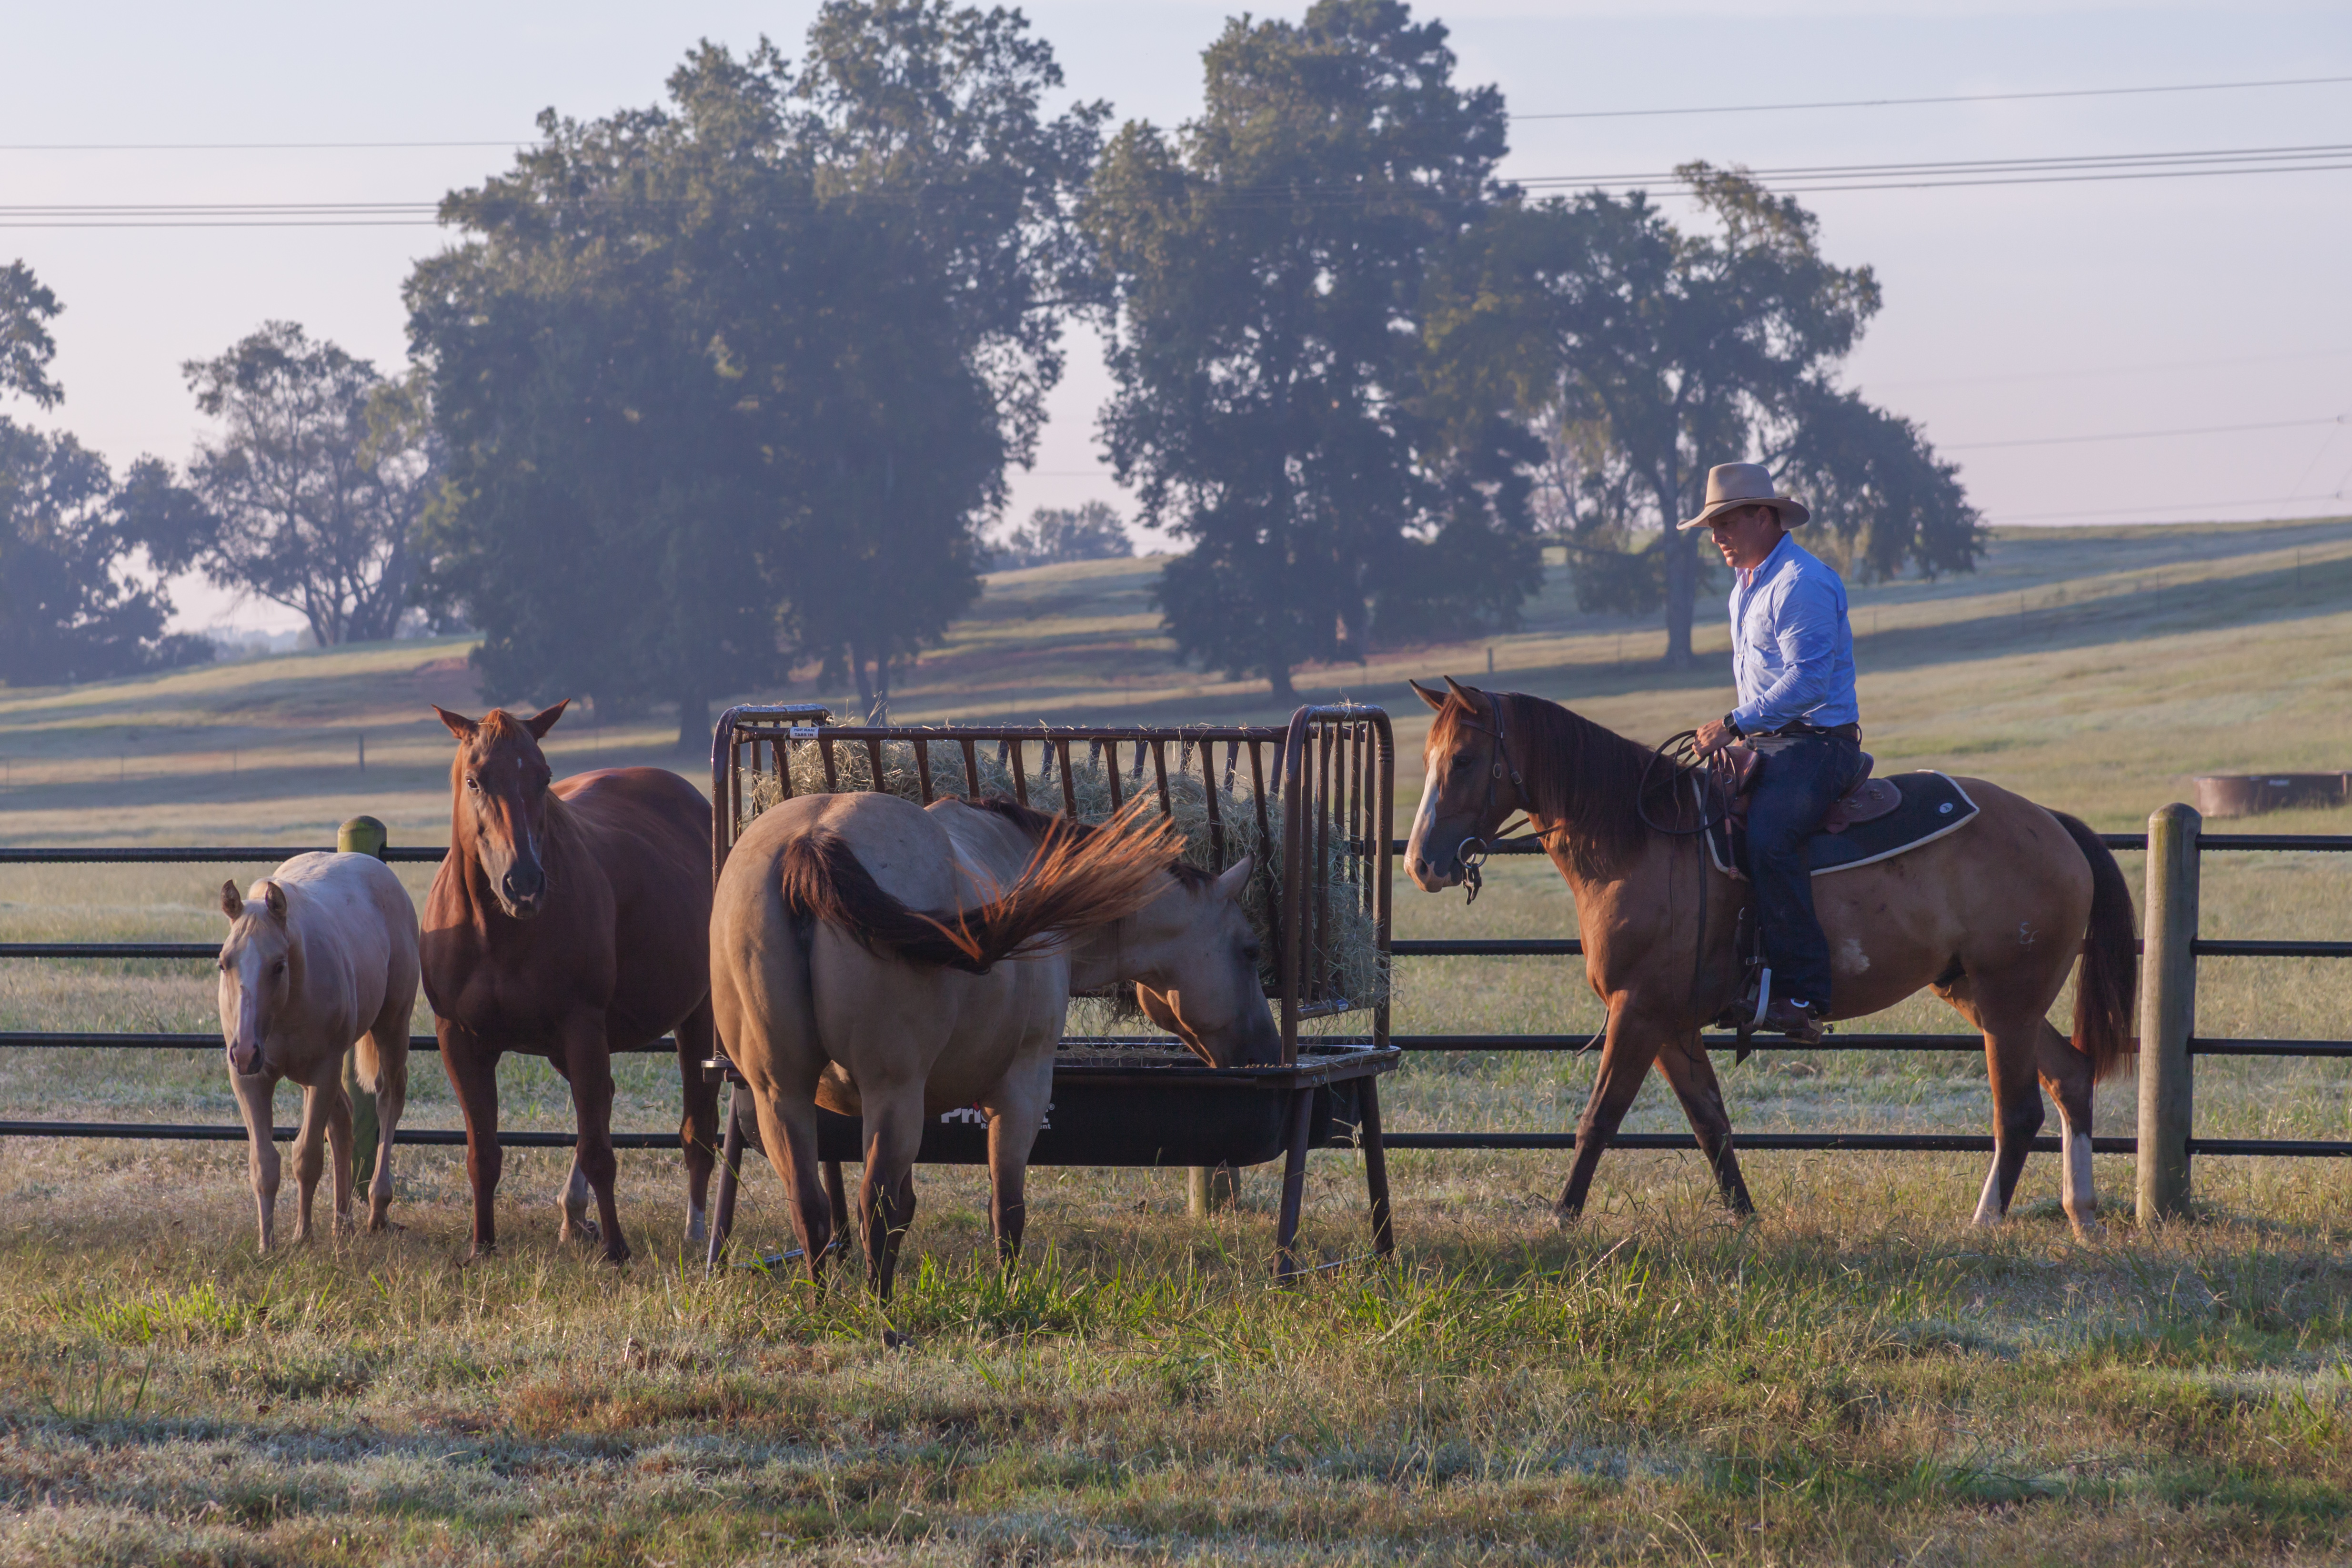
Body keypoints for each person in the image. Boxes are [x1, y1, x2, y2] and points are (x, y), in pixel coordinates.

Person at [1685, 462, 1860, 1044]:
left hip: (1816, 745)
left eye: (1726, 523)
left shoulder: (1800, 582)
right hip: (1767, 742)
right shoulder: (1748, 586)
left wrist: (1733, 722)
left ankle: (1803, 991)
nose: (1717, 537)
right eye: (1713, 527)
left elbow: (1808, 684)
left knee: (1769, 837)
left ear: (1764, 517)